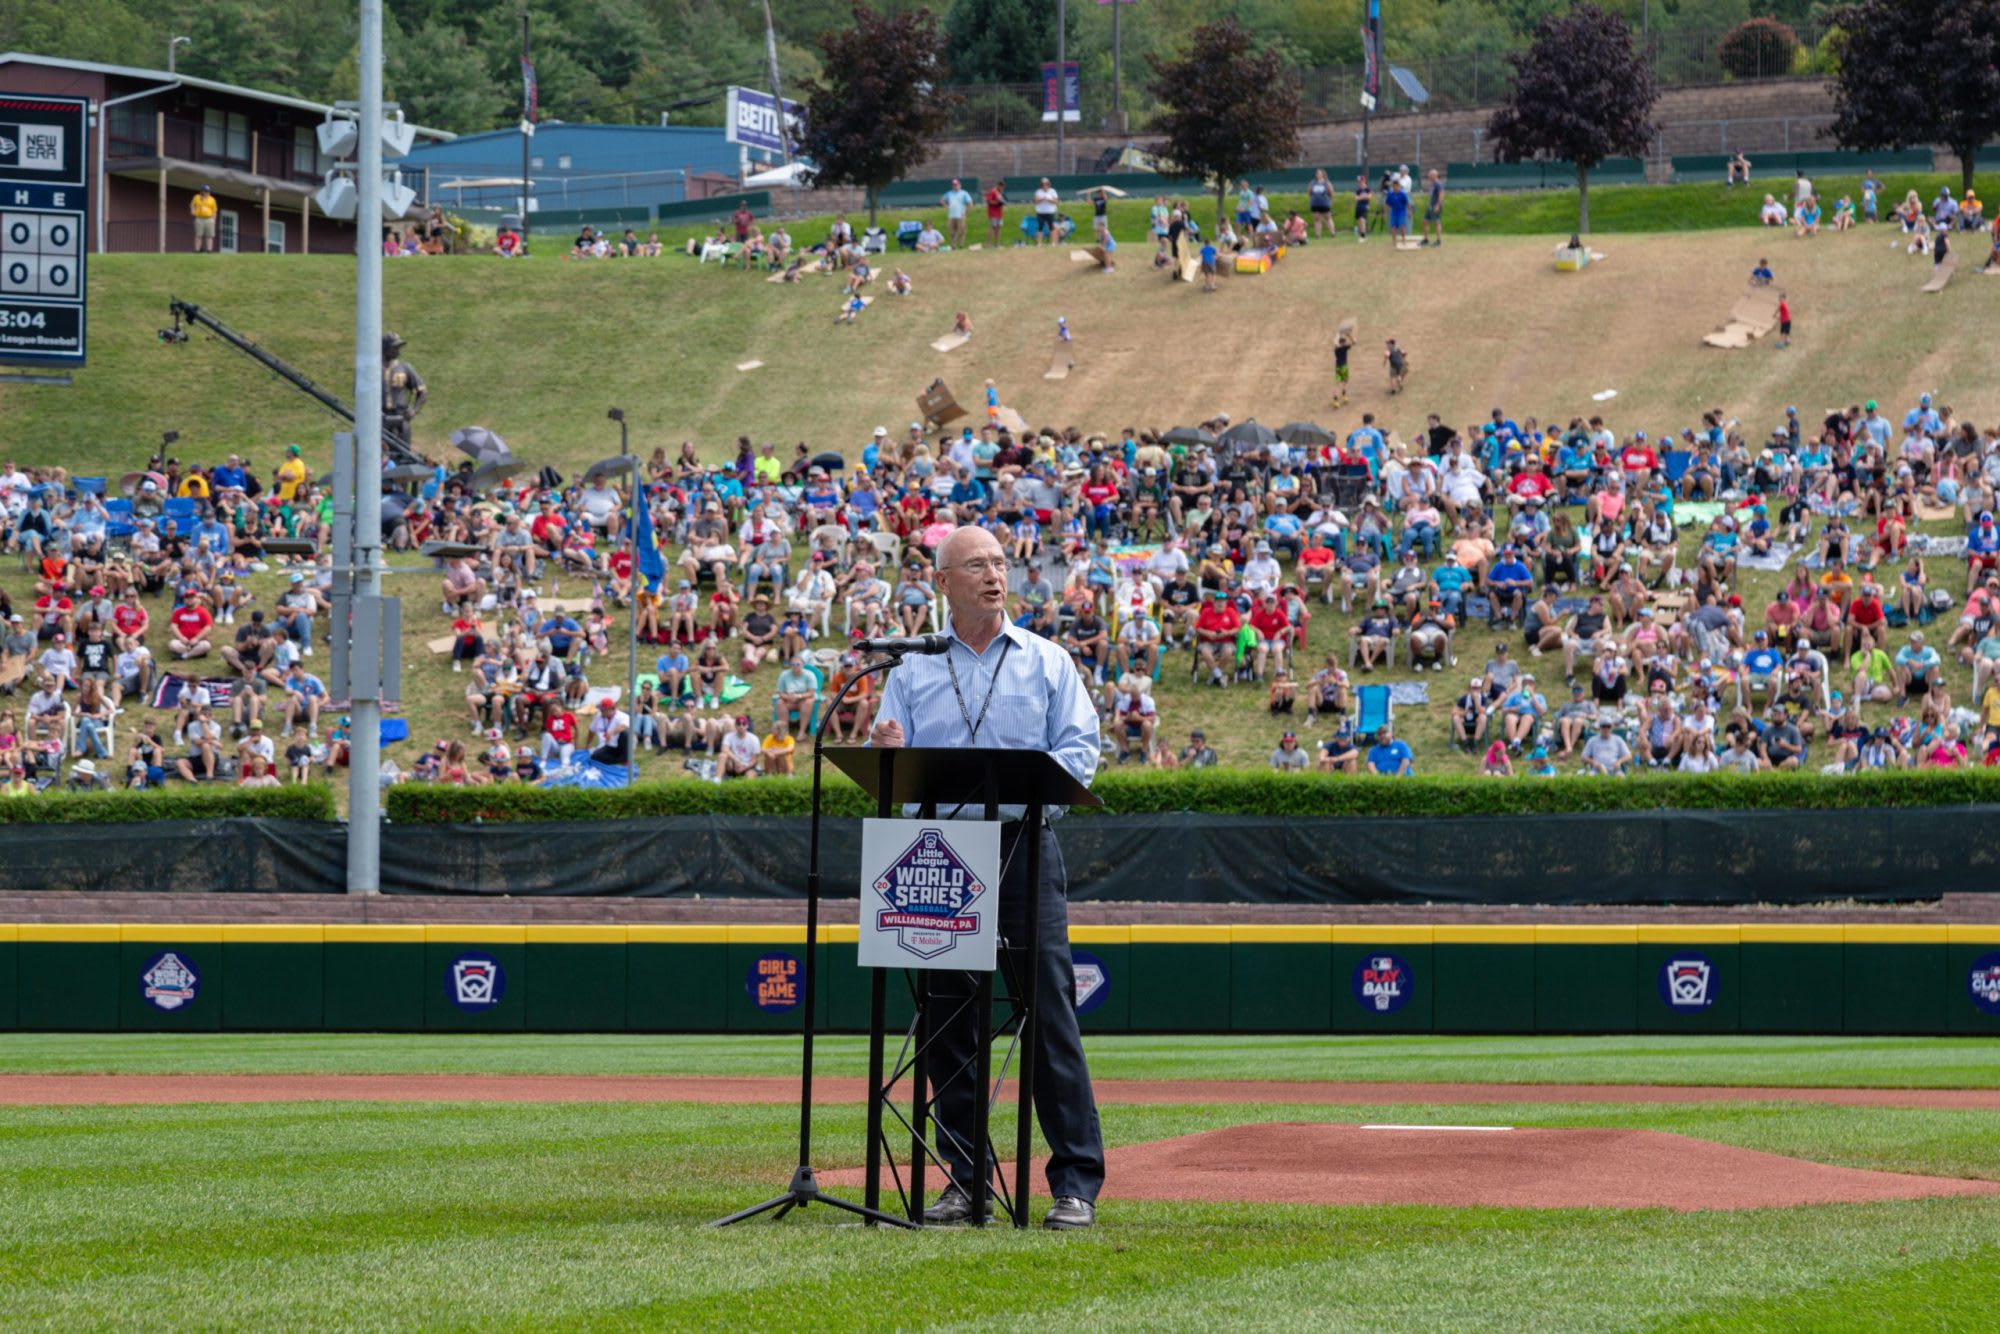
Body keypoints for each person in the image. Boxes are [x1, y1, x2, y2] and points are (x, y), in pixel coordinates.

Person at [871, 524, 1103, 1231]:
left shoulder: (1047, 660)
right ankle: (963, 1180)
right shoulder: (910, 668)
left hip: (1024, 847)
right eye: (976, 565)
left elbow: (1081, 750)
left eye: (1000, 563)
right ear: (942, 582)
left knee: (1049, 1013)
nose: (994, 575)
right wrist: (888, 756)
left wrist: (1030, 788)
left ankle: (1075, 1184)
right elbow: (894, 761)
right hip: (937, 851)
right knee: (945, 1019)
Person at [190, 185, 218, 253]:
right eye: (205, 191)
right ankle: (197, 250)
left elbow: (214, 210)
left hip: (209, 218)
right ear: (202, 191)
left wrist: (213, 220)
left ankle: (209, 250)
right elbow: (192, 205)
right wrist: (192, 210)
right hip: (199, 218)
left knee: (209, 235)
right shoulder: (196, 197)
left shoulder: (212, 199)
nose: (207, 193)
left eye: (208, 192)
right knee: (198, 235)